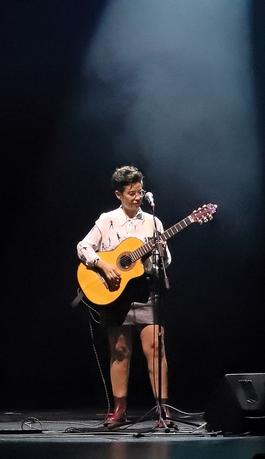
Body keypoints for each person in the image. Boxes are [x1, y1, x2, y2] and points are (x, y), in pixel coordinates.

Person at [76, 166, 172, 428]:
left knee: (155, 348)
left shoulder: (153, 222)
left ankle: (163, 411)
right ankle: (119, 411)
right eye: (131, 193)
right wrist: (103, 264)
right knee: (119, 351)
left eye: (140, 191)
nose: (137, 197)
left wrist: (162, 252)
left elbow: (165, 262)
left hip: (145, 291)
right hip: (115, 293)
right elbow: (83, 247)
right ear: (119, 194)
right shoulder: (107, 220)